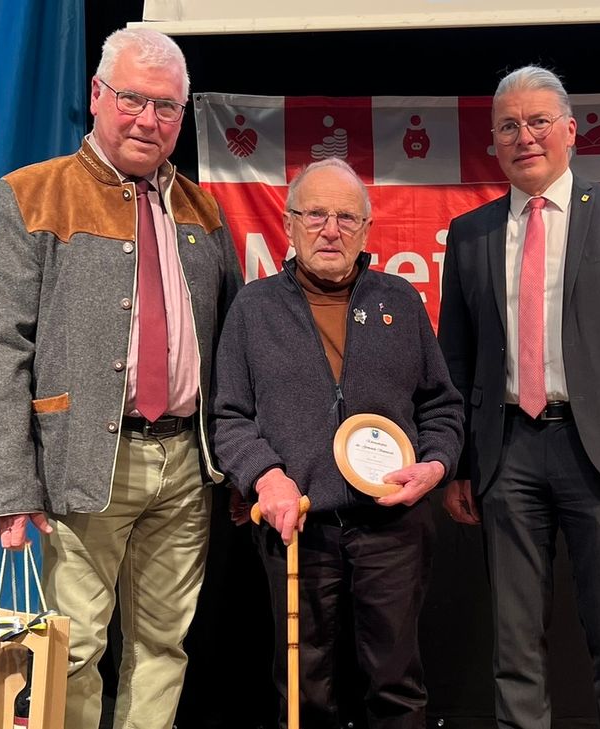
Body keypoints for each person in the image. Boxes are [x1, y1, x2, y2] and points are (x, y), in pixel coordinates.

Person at [0, 28, 242, 729]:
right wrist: (9, 485)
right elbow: (1, 345)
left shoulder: (204, 210)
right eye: (132, 100)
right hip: (84, 462)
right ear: (96, 95)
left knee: (163, 645)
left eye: (167, 108)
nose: (148, 121)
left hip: (187, 465)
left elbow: (231, 343)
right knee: (74, 648)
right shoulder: (31, 194)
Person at [437, 65, 600, 729]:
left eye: (539, 121)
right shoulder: (470, 234)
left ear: (571, 131)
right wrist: (460, 461)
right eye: (509, 126)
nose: (526, 137)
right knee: (514, 643)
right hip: (505, 456)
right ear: (493, 141)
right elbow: (455, 363)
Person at [212, 158, 464, 729]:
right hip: (296, 525)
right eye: (317, 214)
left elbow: (441, 405)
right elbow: (228, 416)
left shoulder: (399, 300)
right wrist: (264, 476)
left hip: (392, 527)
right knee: (306, 692)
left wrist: (435, 466)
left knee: (397, 686)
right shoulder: (253, 308)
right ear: (290, 222)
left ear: (367, 230)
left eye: (347, 218)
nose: (332, 229)